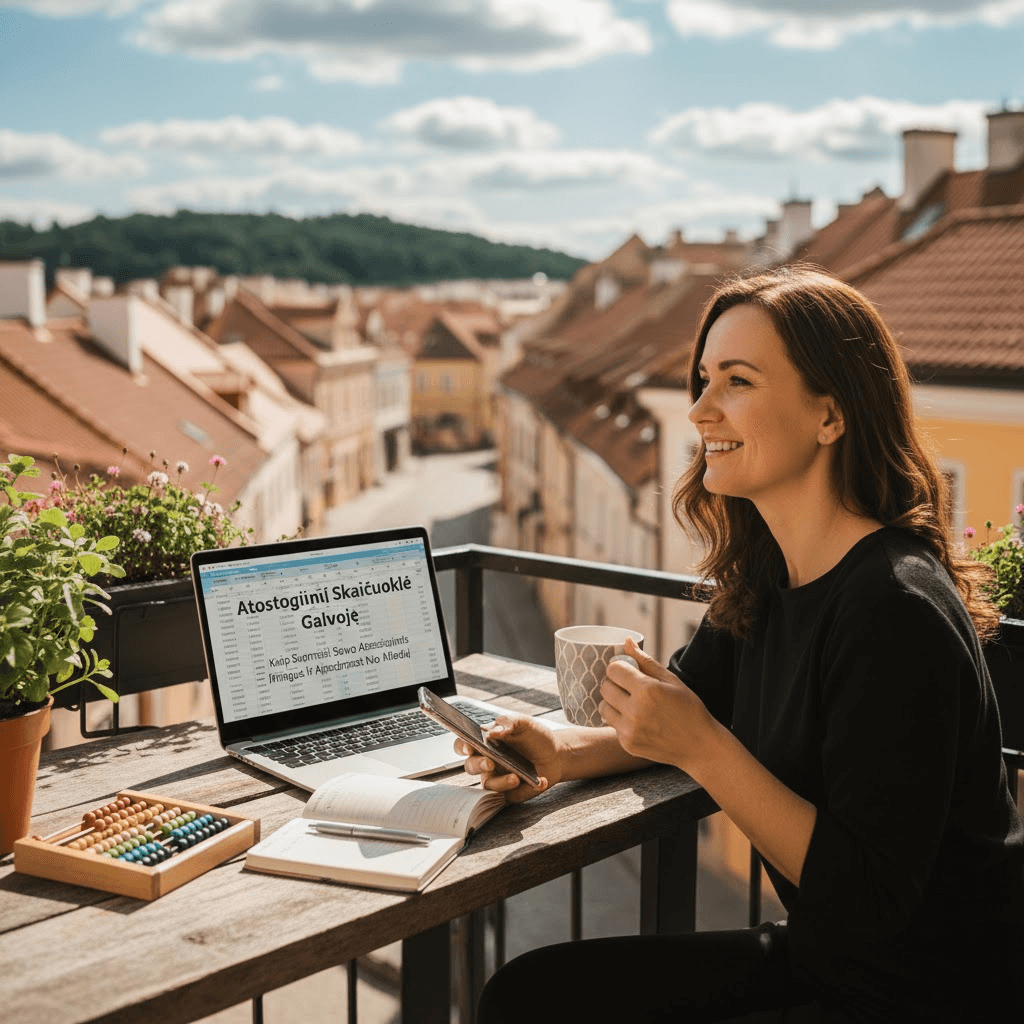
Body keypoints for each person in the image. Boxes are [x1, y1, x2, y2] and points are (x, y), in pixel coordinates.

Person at [456, 265, 1024, 1023]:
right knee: (526, 995)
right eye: (702, 380)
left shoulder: (896, 608)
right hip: (833, 959)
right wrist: (557, 755)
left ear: (831, 415)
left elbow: (867, 899)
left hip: (925, 990)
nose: (698, 410)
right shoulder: (766, 577)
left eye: (737, 382)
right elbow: (680, 712)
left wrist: (701, 748)